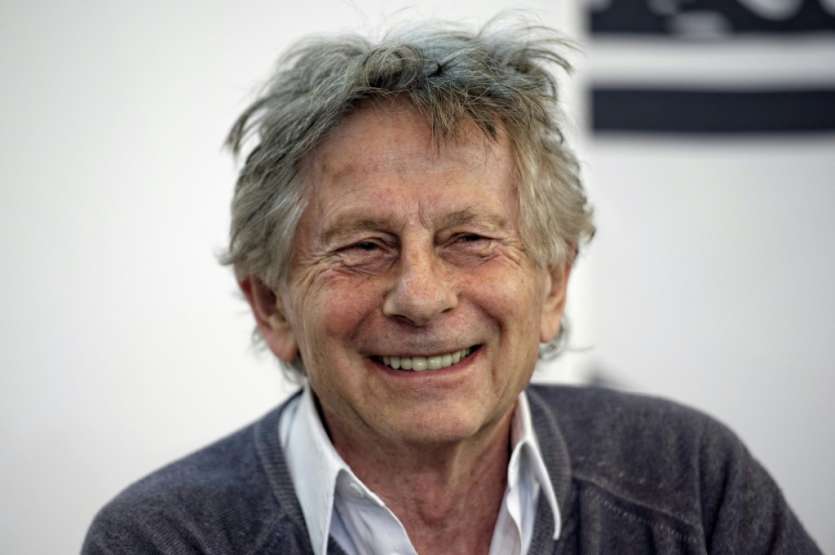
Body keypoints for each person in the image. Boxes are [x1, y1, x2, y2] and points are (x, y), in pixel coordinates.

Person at [82, 19, 820, 554]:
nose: (421, 296)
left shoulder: (690, 482)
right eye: (363, 247)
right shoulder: (164, 538)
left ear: (553, 284)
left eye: (470, 239)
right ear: (272, 305)